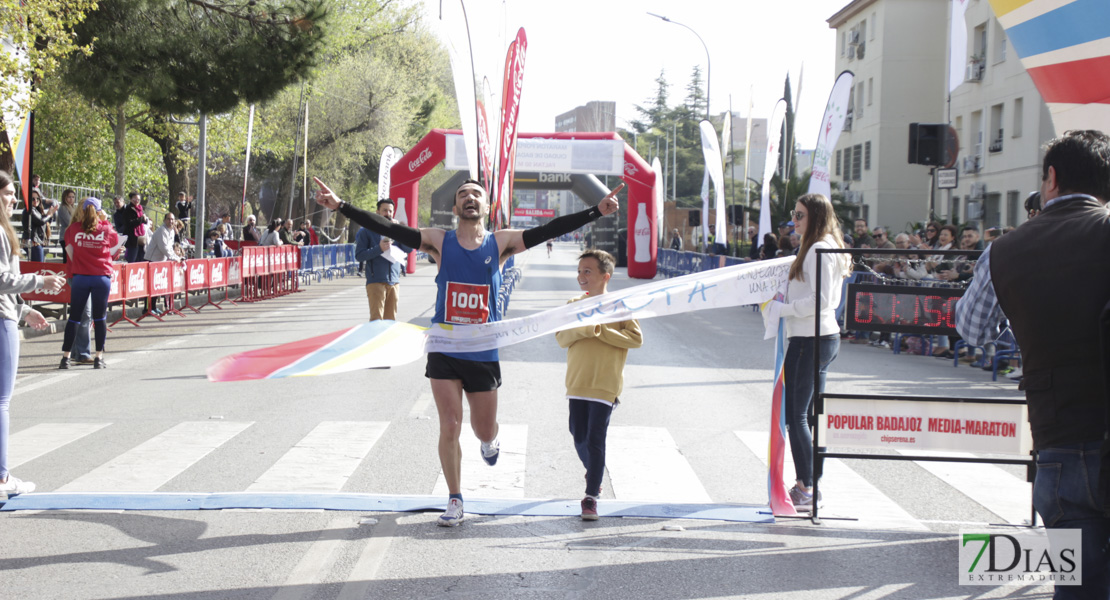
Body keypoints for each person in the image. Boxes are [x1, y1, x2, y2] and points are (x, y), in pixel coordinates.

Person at [315, 176, 620, 527]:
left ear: (486, 206)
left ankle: (490, 442)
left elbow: (548, 229)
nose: (469, 198)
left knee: (482, 428)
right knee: (449, 424)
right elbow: (389, 227)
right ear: (456, 207)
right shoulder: (438, 241)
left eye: (476, 194)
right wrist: (341, 207)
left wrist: (595, 212)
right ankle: (455, 498)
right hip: (444, 346)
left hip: (482, 349)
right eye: (463, 195)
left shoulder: (501, 242)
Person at [957, 130, 1110, 598]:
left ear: (1051, 179)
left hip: (1060, 434)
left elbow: (972, 328)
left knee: (1077, 584)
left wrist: (1023, 314)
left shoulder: (1005, 249)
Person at [762, 193, 850, 511]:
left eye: (800, 215)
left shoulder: (818, 248)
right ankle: (810, 485)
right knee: (805, 415)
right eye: (793, 214)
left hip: (812, 339)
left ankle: (806, 486)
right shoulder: (818, 246)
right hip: (815, 337)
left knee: (797, 415)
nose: (794, 221)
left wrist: (782, 309)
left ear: (815, 216)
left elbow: (821, 301)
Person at [555, 249, 642, 520]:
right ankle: (594, 470)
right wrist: (586, 326)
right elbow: (561, 338)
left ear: (605, 276)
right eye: (579, 271)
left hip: (605, 385)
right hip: (577, 382)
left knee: (595, 438)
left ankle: (591, 496)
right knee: (577, 435)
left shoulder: (620, 307)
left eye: (588, 271)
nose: (581, 276)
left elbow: (635, 339)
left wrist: (601, 329)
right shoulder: (574, 304)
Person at [0, 171, 65, 496]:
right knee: (1, 401)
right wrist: (40, 281)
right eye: (9, 193)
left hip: (9, 314)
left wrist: (25, 310)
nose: (14, 199)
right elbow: (1, 279)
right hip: (1, 320)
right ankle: (1, 478)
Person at [60, 197, 120, 370]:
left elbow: (70, 253)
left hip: (80, 277)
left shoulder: (73, 229)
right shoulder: (106, 228)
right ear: (99, 211)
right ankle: (98, 358)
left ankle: (65, 358)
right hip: (101, 276)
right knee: (100, 318)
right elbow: (115, 245)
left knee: (74, 318)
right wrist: (104, 219)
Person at [354, 199, 412, 321]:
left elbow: (409, 249)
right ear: (377, 212)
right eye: (384, 210)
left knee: (391, 321)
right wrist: (378, 249)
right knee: (376, 320)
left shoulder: (396, 230)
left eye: (390, 211)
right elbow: (359, 255)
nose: (388, 213)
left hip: (394, 281)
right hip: (376, 281)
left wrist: (402, 232)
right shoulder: (366, 231)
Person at [21, 190, 56, 262]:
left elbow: (46, 222)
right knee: (39, 266)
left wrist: (50, 215)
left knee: (38, 266)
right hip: (33, 242)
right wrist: (48, 215)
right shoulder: (29, 210)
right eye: (33, 199)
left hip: (37, 242)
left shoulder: (37, 210)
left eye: (37, 198)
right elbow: (40, 221)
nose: (35, 200)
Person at [121, 192, 148, 263]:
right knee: (132, 259)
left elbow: (143, 221)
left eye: (138, 199)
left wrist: (145, 220)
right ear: (130, 199)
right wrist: (141, 219)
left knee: (141, 259)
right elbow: (129, 223)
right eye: (135, 199)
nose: (137, 201)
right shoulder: (128, 209)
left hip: (141, 237)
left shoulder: (140, 209)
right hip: (132, 239)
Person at [56, 190, 78, 263]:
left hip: (73, 236)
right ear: (65, 197)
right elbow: (69, 221)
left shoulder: (74, 208)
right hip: (65, 236)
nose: (71, 199)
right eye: (69, 197)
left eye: (73, 197)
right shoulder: (63, 207)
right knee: (67, 259)